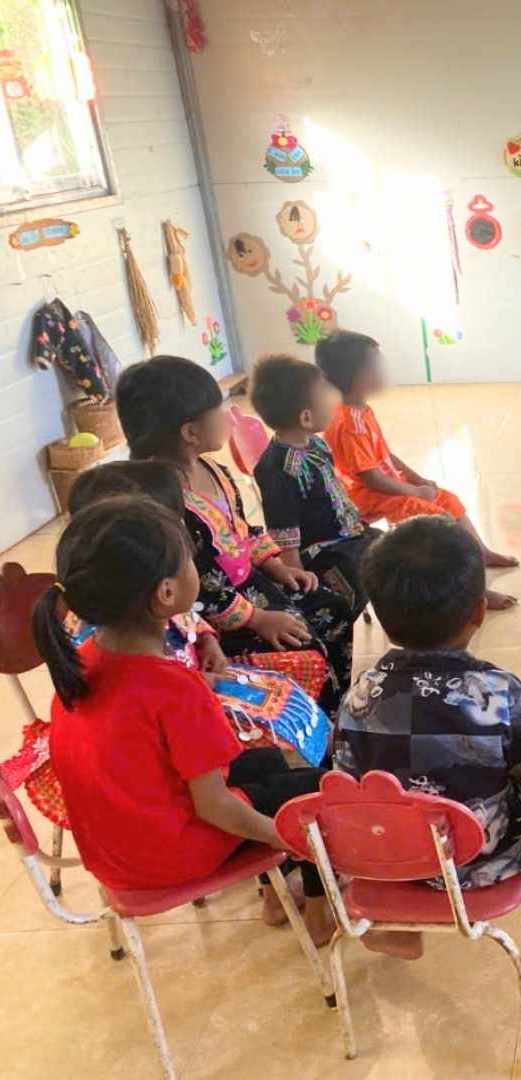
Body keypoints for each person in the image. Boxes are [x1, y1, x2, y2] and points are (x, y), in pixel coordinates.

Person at [31, 496, 332, 944]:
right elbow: (215, 807)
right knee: (310, 793)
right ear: (167, 594)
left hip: (115, 855)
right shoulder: (175, 689)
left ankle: (274, 896)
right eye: (189, 560)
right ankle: (321, 911)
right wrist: (285, 837)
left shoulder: (82, 662)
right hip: (169, 857)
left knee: (267, 764)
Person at [334, 516, 521, 973]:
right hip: (485, 860)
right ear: (479, 611)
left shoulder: (359, 694)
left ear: (376, 611)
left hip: (395, 860)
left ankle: (401, 924)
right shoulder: (499, 694)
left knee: (390, 798)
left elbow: (345, 784)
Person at [115, 355, 358, 714]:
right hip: (216, 610)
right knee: (305, 642)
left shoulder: (212, 470)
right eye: (220, 407)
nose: (229, 413)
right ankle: (313, 727)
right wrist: (258, 619)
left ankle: (341, 708)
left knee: (332, 607)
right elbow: (198, 587)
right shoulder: (164, 503)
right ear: (190, 433)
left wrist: (278, 567)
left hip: (254, 584)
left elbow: (245, 530)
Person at [315, 330, 517, 609]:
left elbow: (387, 456)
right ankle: (473, 593)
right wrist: (413, 490)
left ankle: (481, 553)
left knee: (447, 498)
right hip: (366, 497)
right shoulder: (348, 422)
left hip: (388, 487)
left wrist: (419, 480)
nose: (383, 371)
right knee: (439, 520)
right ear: (357, 376)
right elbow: (369, 477)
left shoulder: (362, 411)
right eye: (376, 366)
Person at [65, 461, 228, 678]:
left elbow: (186, 616)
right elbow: (135, 689)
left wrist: (207, 639)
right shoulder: (102, 631)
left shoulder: (148, 585)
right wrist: (194, 682)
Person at [249, 353, 380, 614]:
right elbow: (285, 537)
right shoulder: (279, 469)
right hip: (323, 553)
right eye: (327, 396)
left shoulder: (315, 443)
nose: (335, 401)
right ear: (306, 418)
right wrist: (300, 583)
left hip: (349, 535)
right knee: (368, 580)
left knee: (402, 552)